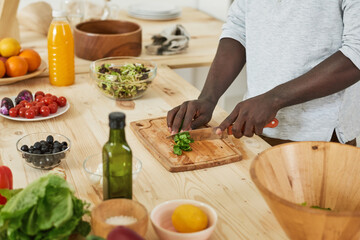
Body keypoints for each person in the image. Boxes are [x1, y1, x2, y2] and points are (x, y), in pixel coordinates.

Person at [167, 0, 360, 146]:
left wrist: (274, 99)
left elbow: (356, 52)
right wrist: (208, 97)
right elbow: (239, 28)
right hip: (257, 127)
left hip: (321, 138)